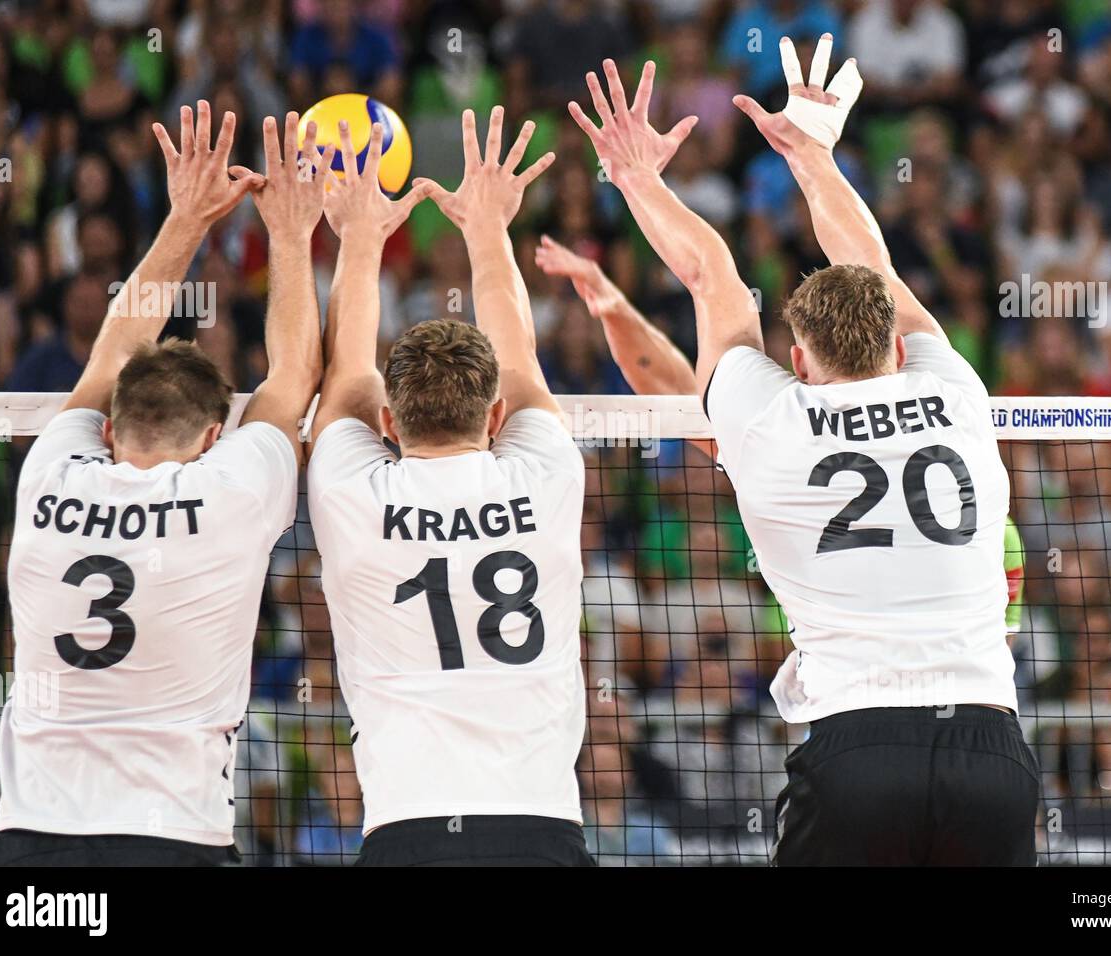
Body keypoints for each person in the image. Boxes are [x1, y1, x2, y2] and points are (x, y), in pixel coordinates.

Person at [568, 38, 1037, 865]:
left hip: (860, 749)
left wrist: (637, 176)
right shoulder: (956, 391)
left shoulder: (770, 420)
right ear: (898, 350)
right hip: (991, 750)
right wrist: (813, 158)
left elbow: (712, 275)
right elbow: (874, 266)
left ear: (798, 363)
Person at [0, 104, 330, 866]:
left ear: (109, 428)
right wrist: (290, 232)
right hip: (169, 839)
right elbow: (297, 375)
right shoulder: (231, 493)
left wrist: (184, 219)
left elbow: (115, 350)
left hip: (30, 846)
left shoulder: (49, 476)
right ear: (215, 438)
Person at [305, 107, 592, 866]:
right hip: (542, 831)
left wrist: (359, 237)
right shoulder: (549, 474)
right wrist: (486, 227)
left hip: (407, 832)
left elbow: (347, 375)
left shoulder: (351, 493)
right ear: (494, 415)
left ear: (389, 423)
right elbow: (521, 354)